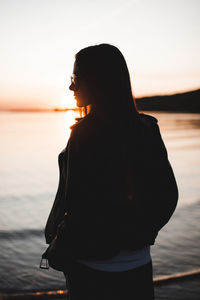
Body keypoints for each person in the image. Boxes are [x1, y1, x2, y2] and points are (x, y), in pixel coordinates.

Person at [45, 44, 178, 300]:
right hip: (139, 264)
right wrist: (140, 234)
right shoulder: (147, 127)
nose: (71, 87)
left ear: (98, 80)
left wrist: (66, 242)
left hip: (91, 269)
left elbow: (77, 207)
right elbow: (168, 197)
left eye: (76, 78)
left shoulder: (84, 134)